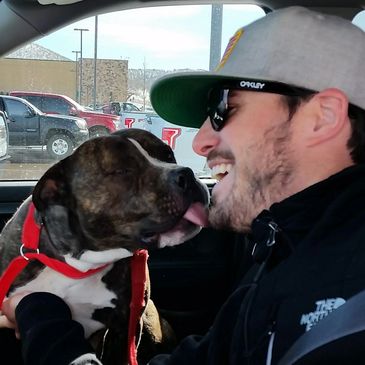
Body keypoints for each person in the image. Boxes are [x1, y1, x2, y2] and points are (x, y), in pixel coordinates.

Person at [3, 5, 365, 364]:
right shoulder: (282, 255)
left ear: (323, 117)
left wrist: (43, 323)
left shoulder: (346, 309)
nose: (200, 142)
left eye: (224, 107)